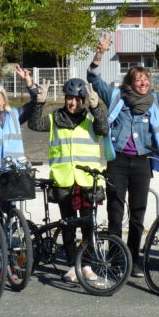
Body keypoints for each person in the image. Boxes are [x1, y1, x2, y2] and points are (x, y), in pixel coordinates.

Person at [87, 35, 159, 277]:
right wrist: (100, 53)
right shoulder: (116, 97)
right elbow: (93, 78)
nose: (143, 83)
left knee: (138, 214)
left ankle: (134, 259)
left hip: (142, 161)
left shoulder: (154, 101)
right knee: (115, 212)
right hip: (117, 161)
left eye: (146, 80)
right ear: (130, 82)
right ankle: (115, 257)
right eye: (138, 80)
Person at [28, 78, 107, 282]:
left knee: (88, 226)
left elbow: (104, 129)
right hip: (64, 181)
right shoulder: (55, 119)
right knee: (68, 226)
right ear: (65, 98)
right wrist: (39, 102)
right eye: (70, 98)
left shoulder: (90, 119)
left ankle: (87, 265)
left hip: (87, 181)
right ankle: (73, 265)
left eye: (78, 99)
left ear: (83, 100)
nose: (73, 103)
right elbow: (35, 124)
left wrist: (96, 106)